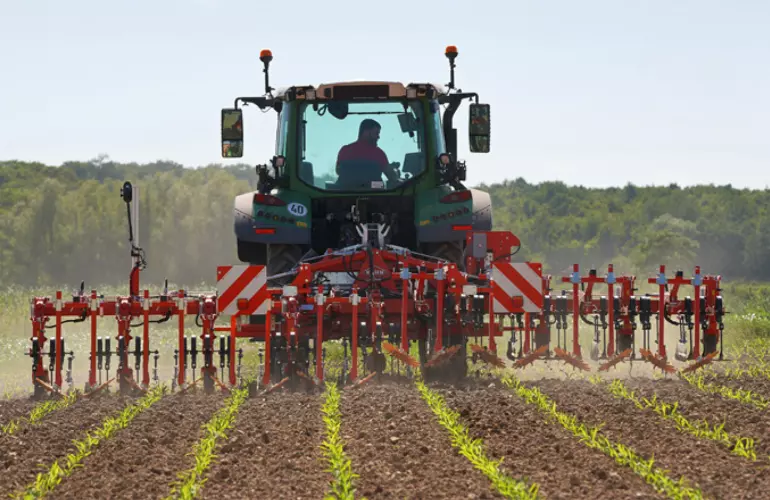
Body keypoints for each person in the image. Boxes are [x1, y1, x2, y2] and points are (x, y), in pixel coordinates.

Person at [336, 119, 398, 183]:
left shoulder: (345, 150)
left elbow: (338, 171)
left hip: (347, 190)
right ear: (366, 132)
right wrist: (395, 171)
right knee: (382, 185)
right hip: (373, 190)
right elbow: (392, 176)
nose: (378, 137)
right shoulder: (379, 154)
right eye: (376, 133)